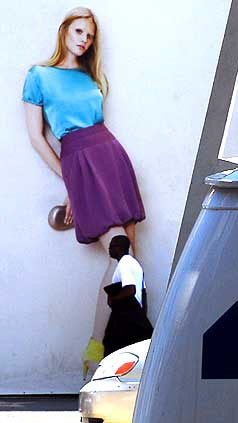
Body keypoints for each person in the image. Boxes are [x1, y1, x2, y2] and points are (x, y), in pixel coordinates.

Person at [22, 7, 146, 373]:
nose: (83, 40)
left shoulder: (92, 77)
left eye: (89, 36)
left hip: (112, 159)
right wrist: (71, 184)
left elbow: (99, 126)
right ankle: (99, 349)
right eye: (78, 31)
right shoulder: (39, 76)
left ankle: (120, 354)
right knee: (121, 253)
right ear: (64, 32)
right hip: (79, 162)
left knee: (129, 264)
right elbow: (36, 137)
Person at [103, 235, 153, 357]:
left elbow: (130, 289)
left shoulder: (124, 263)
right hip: (135, 316)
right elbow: (143, 292)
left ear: (120, 248)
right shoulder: (135, 264)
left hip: (126, 315)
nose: (109, 249)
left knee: (114, 350)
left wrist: (113, 299)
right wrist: (142, 315)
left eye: (112, 246)